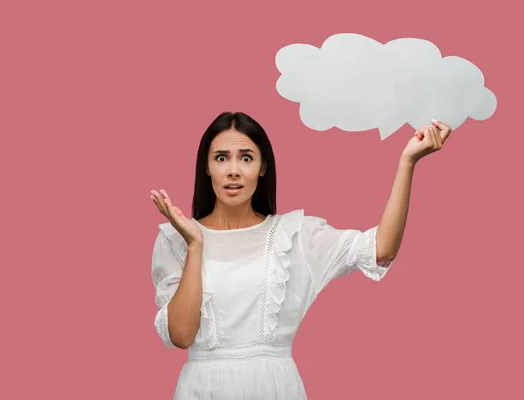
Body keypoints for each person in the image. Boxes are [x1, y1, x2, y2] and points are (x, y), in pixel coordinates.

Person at [150, 111, 451, 399]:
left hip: (275, 387)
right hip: (202, 389)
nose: (233, 170)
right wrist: (195, 244)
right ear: (206, 167)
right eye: (221, 158)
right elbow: (181, 336)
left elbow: (380, 248)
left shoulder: (294, 235)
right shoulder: (175, 240)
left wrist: (407, 161)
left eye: (246, 158)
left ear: (263, 167)